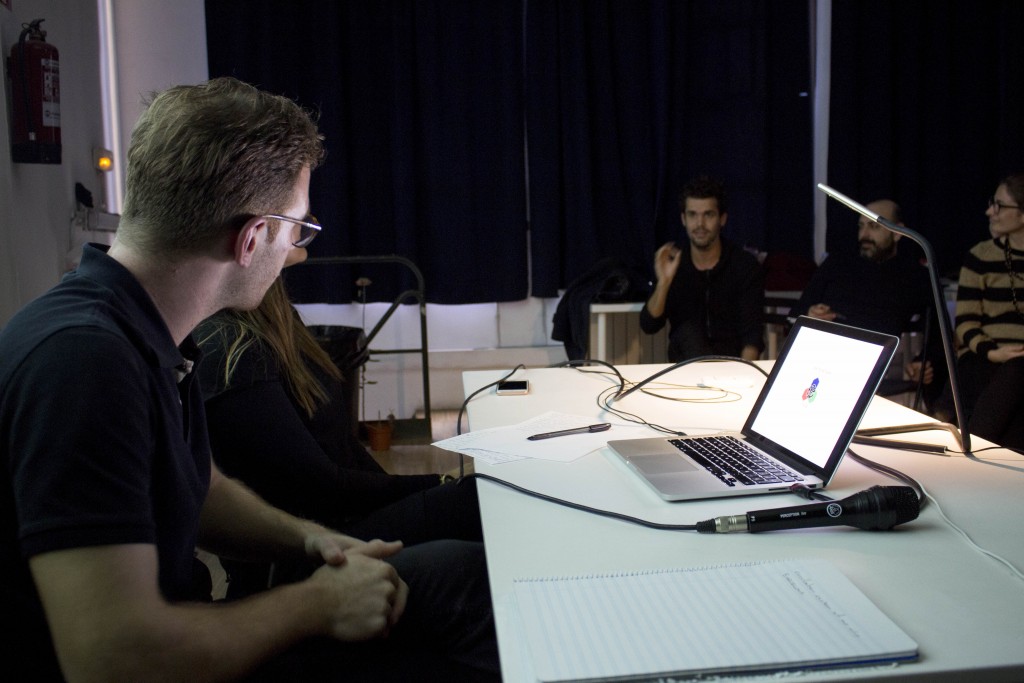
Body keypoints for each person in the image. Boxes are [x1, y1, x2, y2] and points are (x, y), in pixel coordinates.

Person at [0, 77, 497, 682]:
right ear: (253, 237)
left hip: (177, 629)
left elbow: (198, 487)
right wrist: (315, 604)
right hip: (157, 655)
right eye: (297, 230)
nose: (294, 249)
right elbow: (113, 658)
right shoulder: (85, 364)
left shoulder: (141, 329)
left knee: (459, 577)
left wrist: (310, 540)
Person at [195, 248, 483, 597]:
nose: (307, 232)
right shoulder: (229, 348)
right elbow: (320, 486)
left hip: (340, 519)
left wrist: (427, 489)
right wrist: (436, 482)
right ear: (251, 236)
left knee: (478, 498)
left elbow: (343, 449)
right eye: (296, 224)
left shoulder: (274, 315)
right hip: (305, 550)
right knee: (476, 509)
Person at [794, 199, 944, 409]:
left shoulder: (916, 277)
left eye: (874, 227)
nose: (864, 235)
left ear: (898, 232)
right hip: (825, 367)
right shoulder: (836, 264)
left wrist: (923, 363)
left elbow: (938, 337)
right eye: (861, 226)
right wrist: (810, 315)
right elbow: (797, 312)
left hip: (885, 377)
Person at [639, 176, 765, 362]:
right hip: (686, 367)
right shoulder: (674, 262)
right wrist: (664, 283)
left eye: (708, 215)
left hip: (731, 367)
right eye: (692, 215)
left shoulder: (744, 265)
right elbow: (649, 325)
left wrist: (743, 374)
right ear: (683, 219)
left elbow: (752, 339)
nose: (700, 224)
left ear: (722, 219)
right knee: (687, 332)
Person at [952, 173, 1024, 449]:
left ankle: (976, 453)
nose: (990, 212)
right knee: (1008, 374)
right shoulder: (980, 255)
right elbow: (965, 322)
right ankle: (979, 449)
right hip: (985, 356)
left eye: (999, 205)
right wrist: (993, 352)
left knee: (1017, 372)